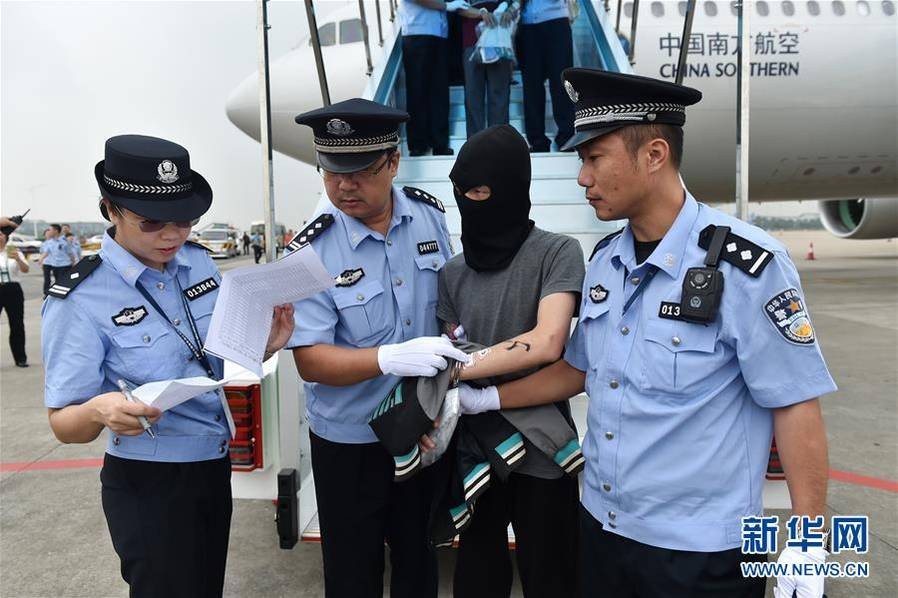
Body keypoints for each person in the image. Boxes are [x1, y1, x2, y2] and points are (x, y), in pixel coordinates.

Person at [457, 69, 837, 598]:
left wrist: (808, 538)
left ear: (654, 154)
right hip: (602, 530)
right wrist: (484, 399)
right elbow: (577, 370)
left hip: (700, 554)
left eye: (594, 158)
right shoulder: (605, 260)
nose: (582, 178)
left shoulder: (748, 268)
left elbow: (794, 403)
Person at [41, 134, 295, 597]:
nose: (172, 236)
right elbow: (63, 423)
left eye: (184, 220)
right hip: (148, 482)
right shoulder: (79, 299)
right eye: (152, 222)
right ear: (110, 210)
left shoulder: (198, 265)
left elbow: (212, 358)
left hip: (212, 465)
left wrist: (263, 346)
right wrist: (100, 410)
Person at [290, 98, 468, 598]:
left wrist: (441, 404)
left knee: (419, 565)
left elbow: (449, 313)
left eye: (360, 171)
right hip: (350, 443)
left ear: (393, 162)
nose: (344, 186)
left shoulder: (429, 218)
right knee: (352, 575)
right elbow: (311, 361)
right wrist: (385, 358)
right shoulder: (309, 250)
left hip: (421, 430)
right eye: (331, 171)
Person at [428, 124, 585, 597]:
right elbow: (450, 340)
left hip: (543, 450)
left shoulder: (557, 252)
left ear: (513, 187)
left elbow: (548, 341)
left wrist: (460, 370)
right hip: (477, 453)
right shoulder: (452, 273)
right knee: (477, 577)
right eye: (461, 192)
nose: (470, 201)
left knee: (552, 577)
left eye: (480, 191)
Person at [399, 0, 470, 156]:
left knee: (439, 90)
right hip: (416, 31)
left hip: (439, 32)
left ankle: (439, 143)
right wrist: (447, 6)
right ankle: (418, 144)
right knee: (417, 90)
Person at [517, 0, 575, 151]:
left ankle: (566, 137)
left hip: (556, 20)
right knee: (532, 85)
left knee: (561, 82)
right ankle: (537, 141)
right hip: (527, 23)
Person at [458, 2, 517, 138]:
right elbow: (459, 8)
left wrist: (510, 10)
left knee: (499, 96)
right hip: (472, 41)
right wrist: (481, 13)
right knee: (473, 96)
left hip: (500, 40)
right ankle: (475, 145)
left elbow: (516, 3)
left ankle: (499, 143)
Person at [0, 230, 30, 367]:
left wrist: (18, 259)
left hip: (13, 289)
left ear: (6, 236)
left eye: (1, 234)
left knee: (17, 324)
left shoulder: (15, 252)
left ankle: (20, 358)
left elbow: (25, 269)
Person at [39, 223, 75, 297]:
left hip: (65, 265)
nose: (49, 231)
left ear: (56, 231)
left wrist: (73, 264)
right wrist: (41, 259)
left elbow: (70, 253)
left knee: (64, 283)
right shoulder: (50, 242)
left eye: (50, 230)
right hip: (55, 266)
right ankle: (58, 297)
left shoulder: (64, 241)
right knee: (57, 283)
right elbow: (46, 252)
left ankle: (67, 297)